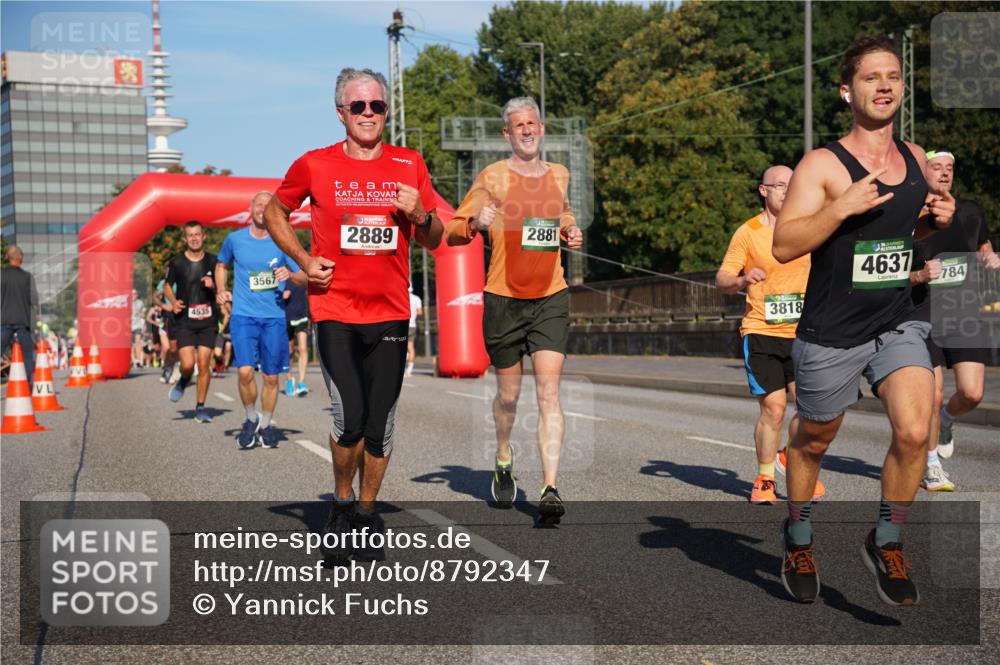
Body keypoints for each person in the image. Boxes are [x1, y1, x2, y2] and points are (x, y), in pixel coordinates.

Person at [772, 36, 955, 607]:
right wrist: (838, 207)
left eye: (894, 76)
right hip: (832, 329)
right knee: (814, 440)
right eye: (872, 77)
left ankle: (887, 538)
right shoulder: (823, 165)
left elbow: (903, 237)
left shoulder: (916, 158)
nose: (885, 85)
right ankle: (798, 536)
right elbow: (784, 245)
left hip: (898, 320)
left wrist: (935, 222)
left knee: (915, 431)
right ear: (847, 90)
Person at [265, 67, 443, 561]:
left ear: (387, 111)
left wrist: (420, 215)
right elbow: (274, 211)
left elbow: (436, 239)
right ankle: (341, 505)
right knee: (349, 420)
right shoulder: (315, 164)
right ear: (341, 111)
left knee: (380, 424)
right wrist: (303, 261)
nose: (368, 114)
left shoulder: (410, 164)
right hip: (336, 310)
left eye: (377, 106)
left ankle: (366, 515)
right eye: (358, 106)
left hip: (389, 313)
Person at [445, 96, 584, 524]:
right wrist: (475, 223)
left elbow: (560, 215)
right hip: (503, 298)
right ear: (507, 133)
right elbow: (451, 232)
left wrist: (570, 230)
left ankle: (549, 487)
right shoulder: (493, 176)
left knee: (548, 394)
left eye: (532, 123)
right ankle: (504, 455)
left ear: (541, 128)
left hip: (550, 297)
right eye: (517, 125)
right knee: (509, 396)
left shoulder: (559, 174)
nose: (526, 130)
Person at [716, 165, 824, 505]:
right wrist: (741, 281)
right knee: (774, 409)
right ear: (764, 191)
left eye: (792, 185)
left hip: (805, 331)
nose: (786, 191)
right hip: (761, 330)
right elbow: (722, 278)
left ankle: (788, 455)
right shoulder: (748, 232)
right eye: (779, 185)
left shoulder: (810, 227)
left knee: (813, 410)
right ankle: (764, 479)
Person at [910, 150, 1000, 492]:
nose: (945, 173)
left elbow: (982, 244)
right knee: (931, 396)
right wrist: (920, 274)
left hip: (964, 311)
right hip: (923, 313)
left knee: (972, 392)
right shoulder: (912, 215)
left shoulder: (971, 210)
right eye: (937, 167)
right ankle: (931, 464)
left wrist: (988, 256)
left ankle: (947, 421)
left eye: (950, 168)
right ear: (924, 172)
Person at [217, 192, 305, 449]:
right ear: (251, 208)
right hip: (243, 315)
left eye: (268, 206)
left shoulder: (282, 240)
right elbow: (222, 264)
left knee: (270, 378)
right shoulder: (235, 239)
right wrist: (221, 289)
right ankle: (249, 418)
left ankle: (266, 425)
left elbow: (303, 277)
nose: (262, 209)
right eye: (259, 205)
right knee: (244, 372)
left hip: (274, 317)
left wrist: (289, 273)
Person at [164, 221, 220, 423]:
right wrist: (173, 301)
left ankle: (200, 407)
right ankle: (184, 379)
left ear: (204, 236)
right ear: (185, 238)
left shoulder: (214, 262)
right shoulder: (177, 262)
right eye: (190, 235)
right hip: (185, 320)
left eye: (198, 234)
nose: (194, 238)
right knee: (188, 364)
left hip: (208, 320)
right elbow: (167, 286)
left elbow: (222, 290)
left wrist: (213, 286)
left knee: (204, 364)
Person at [1, 246, 39, 378]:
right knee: (27, 354)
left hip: (4, 320)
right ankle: (27, 383)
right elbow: (34, 299)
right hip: (23, 321)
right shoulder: (27, 277)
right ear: (19, 258)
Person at [283, 280, 310, 396]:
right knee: (289, 351)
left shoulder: (303, 276)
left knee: (303, 348)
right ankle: (289, 379)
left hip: (302, 315)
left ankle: (301, 382)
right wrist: (282, 294)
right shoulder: (281, 275)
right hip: (286, 317)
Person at [405, 284, 423, 377]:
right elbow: (420, 312)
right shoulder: (417, 298)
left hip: (403, 325)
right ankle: (410, 369)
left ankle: (406, 358)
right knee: (411, 347)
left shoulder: (403, 297)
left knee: (400, 346)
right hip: (412, 325)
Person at [213, 303, 233, 377]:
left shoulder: (228, 306)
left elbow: (227, 316)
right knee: (217, 353)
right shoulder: (215, 305)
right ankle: (219, 363)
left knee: (228, 348)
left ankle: (226, 366)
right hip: (219, 333)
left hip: (228, 332)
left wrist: (223, 327)